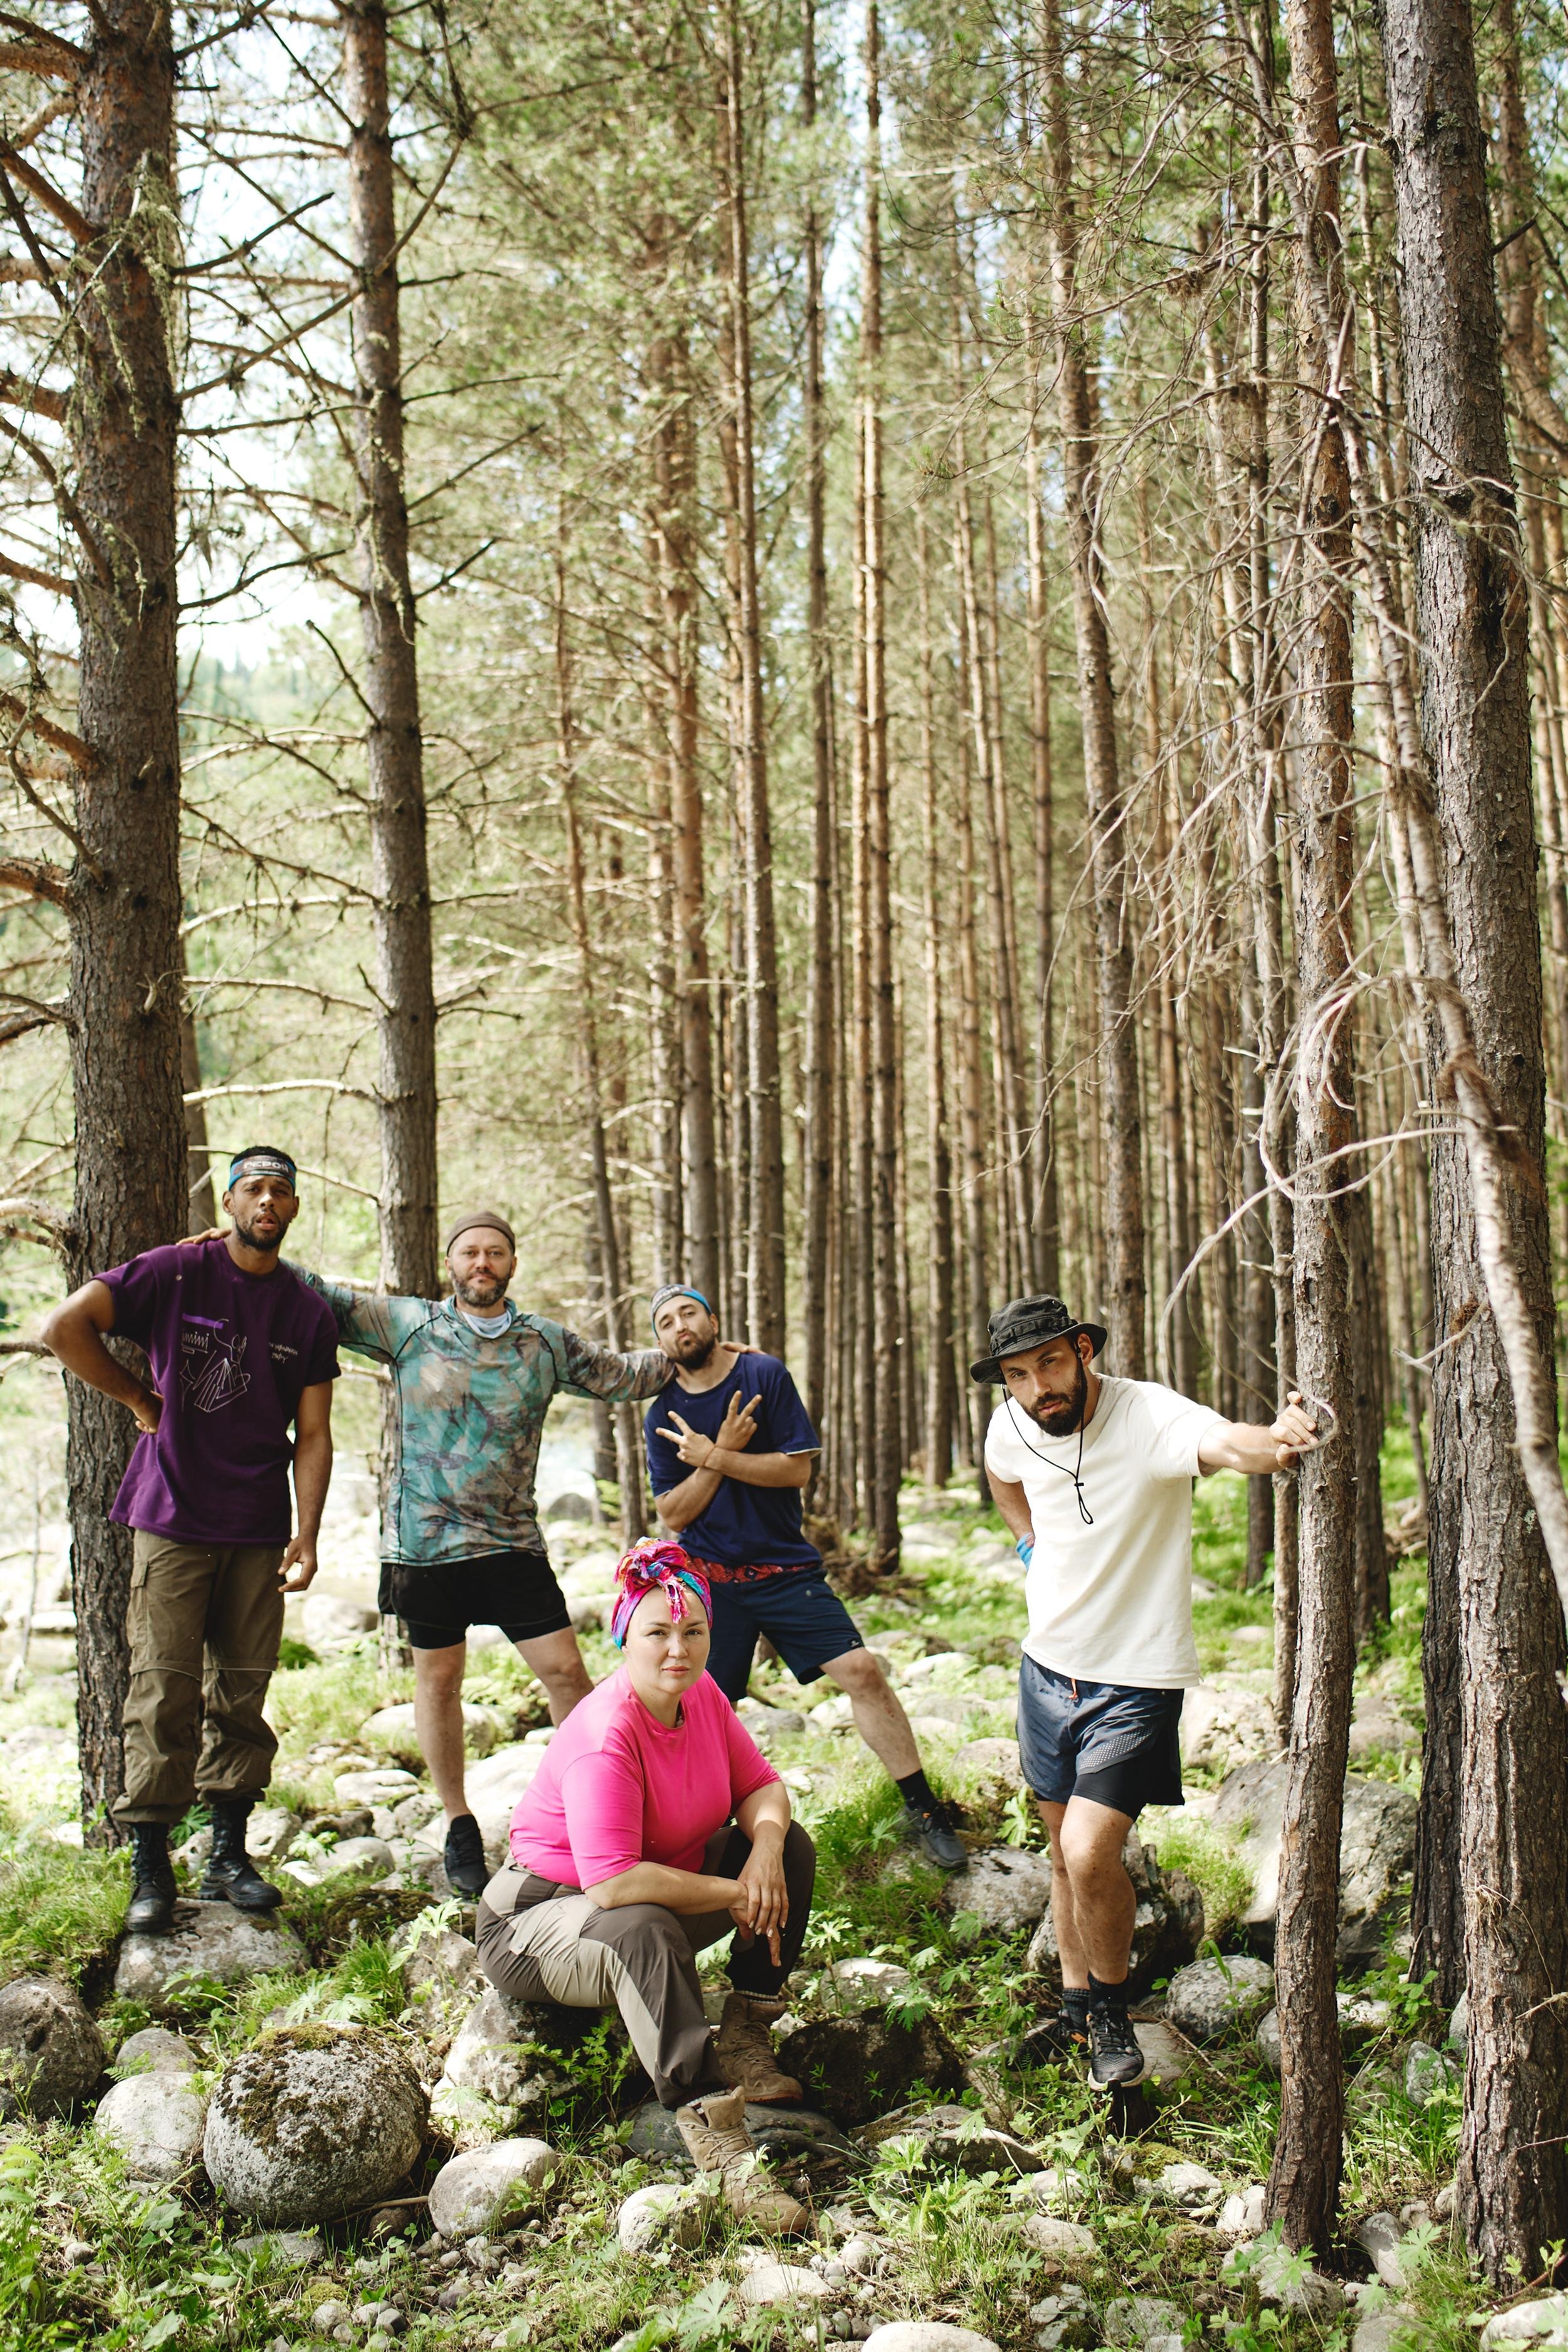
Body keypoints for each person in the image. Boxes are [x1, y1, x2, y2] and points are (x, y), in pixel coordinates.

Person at [273, 1213, 749, 1898]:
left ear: (512, 1264)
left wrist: (695, 1349)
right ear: (452, 1264)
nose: (482, 1262)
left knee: (567, 1676)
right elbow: (322, 1297)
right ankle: (459, 1821)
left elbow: (617, 1374)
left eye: (495, 1252)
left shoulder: (542, 1343)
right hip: (424, 1545)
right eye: (470, 1252)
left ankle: (595, 1803)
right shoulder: (407, 1324)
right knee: (439, 1682)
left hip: (511, 1542)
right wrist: (238, 1252)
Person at [972, 1293, 1320, 2088]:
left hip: (1134, 1678)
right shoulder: (1010, 1424)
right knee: (1063, 1861)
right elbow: (1001, 1476)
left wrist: (1279, 1442)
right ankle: (1071, 2003)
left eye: (1050, 1364)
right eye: (1018, 1375)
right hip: (1045, 1668)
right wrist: (1028, 1542)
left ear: (1084, 1350)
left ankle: (1109, 2011)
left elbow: (1229, 1444)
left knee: (1091, 1851)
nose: (1038, 1389)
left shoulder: (1148, 1415)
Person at [475, 1537, 815, 2233]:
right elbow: (613, 1884)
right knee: (643, 1925)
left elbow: (760, 1786)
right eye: (656, 1632)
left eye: (693, 1632)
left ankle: (746, 2036)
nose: (677, 1651)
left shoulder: (704, 1697)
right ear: (624, 1635)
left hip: (644, 1894)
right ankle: (716, 2139)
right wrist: (738, 1894)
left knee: (788, 1848)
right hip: (534, 1923)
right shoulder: (608, 1732)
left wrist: (767, 1853)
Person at [42, 1147, 339, 1934]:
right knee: (164, 1688)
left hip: (257, 1526)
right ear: (232, 1203)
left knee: (242, 1691)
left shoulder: (306, 1311)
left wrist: (307, 1532)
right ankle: (151, 1868)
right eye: (253, 1189)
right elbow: (63, 1327)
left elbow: (314, 1434)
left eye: (280, 1190)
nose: (266, 1201)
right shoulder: (176, 1272)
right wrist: (140, 1397)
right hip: (171, 1516)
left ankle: (228, 1854)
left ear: (294, 1208)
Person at [644, 1283, 968, 1872]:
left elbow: (795, 1470)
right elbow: (673, 1514)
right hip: (711, 1583)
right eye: (666, 1321)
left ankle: (923, 1808)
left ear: (712, 1320)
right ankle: (699, 1835)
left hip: (784, 1568)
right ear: (661, 1342)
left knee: (862, 1671)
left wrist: (714, 1456)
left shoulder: (763, 1375)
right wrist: (721, 1454)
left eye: (688, 1312)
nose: (680, 1325)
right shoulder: (661, 1410)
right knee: (699, 1707)